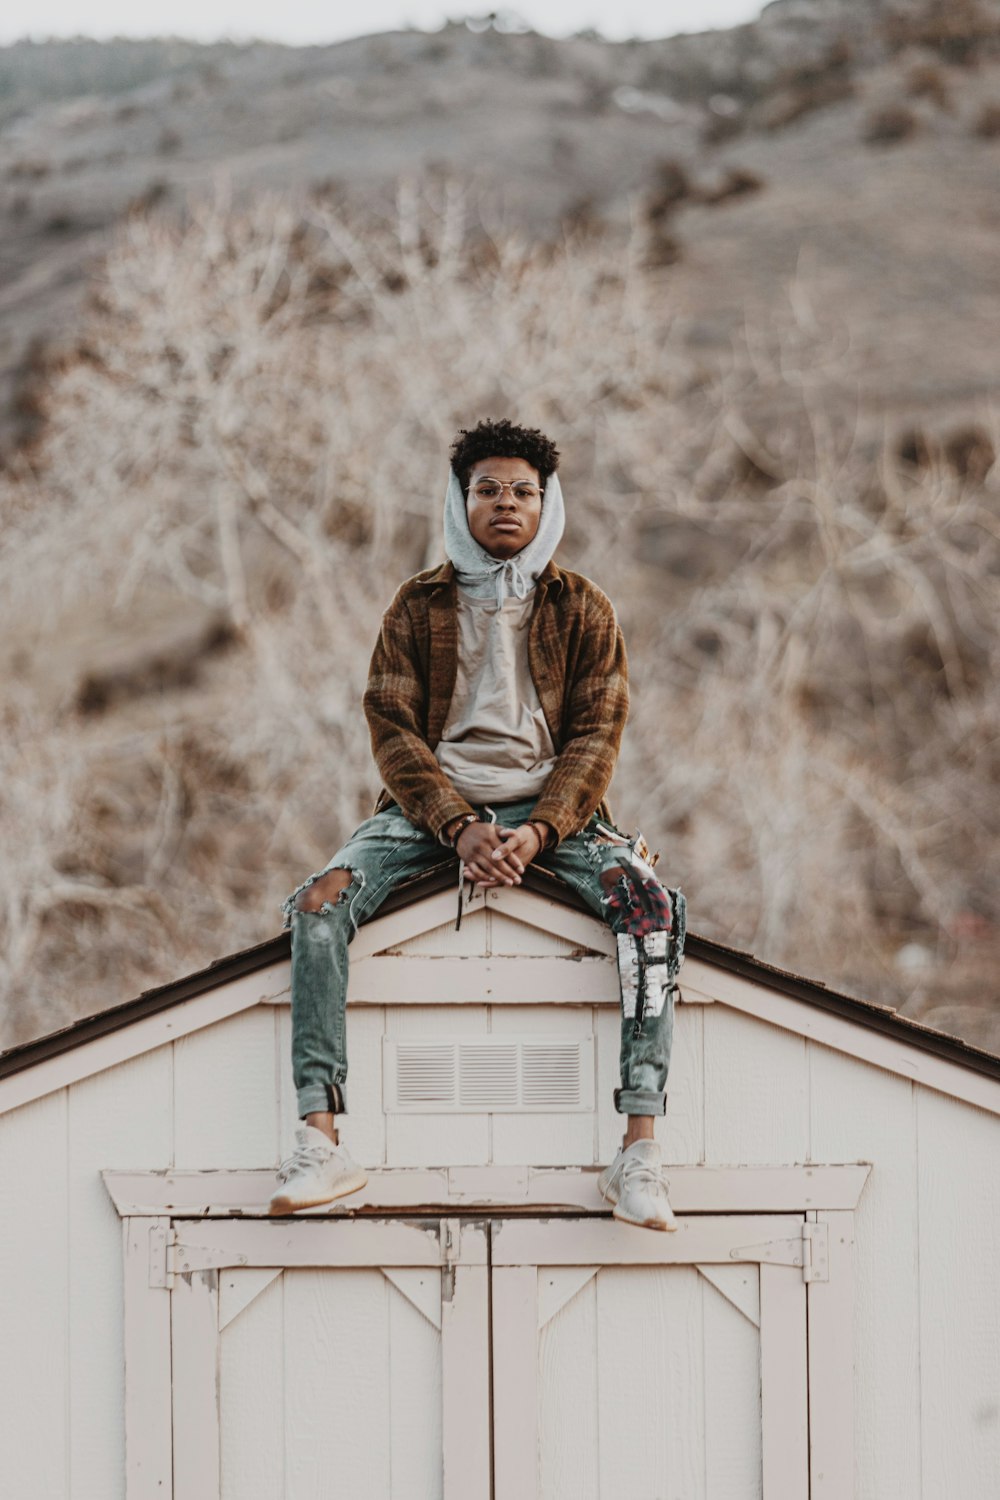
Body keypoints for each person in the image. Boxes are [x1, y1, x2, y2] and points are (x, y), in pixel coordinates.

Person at [270, 418, 685, 1230]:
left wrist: (538, 833)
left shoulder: (585, 608)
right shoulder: (417, 604)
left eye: (523, 491)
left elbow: (598, 734)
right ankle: (321, 1138)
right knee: (319, 903)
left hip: (553, 816)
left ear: (546, 503)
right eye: (488, 488)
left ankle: (639, 1149)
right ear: (461, 502)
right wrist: (458, 824)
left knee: (651, 908)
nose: (505, 503)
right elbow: (390, 725)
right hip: (430, 815)